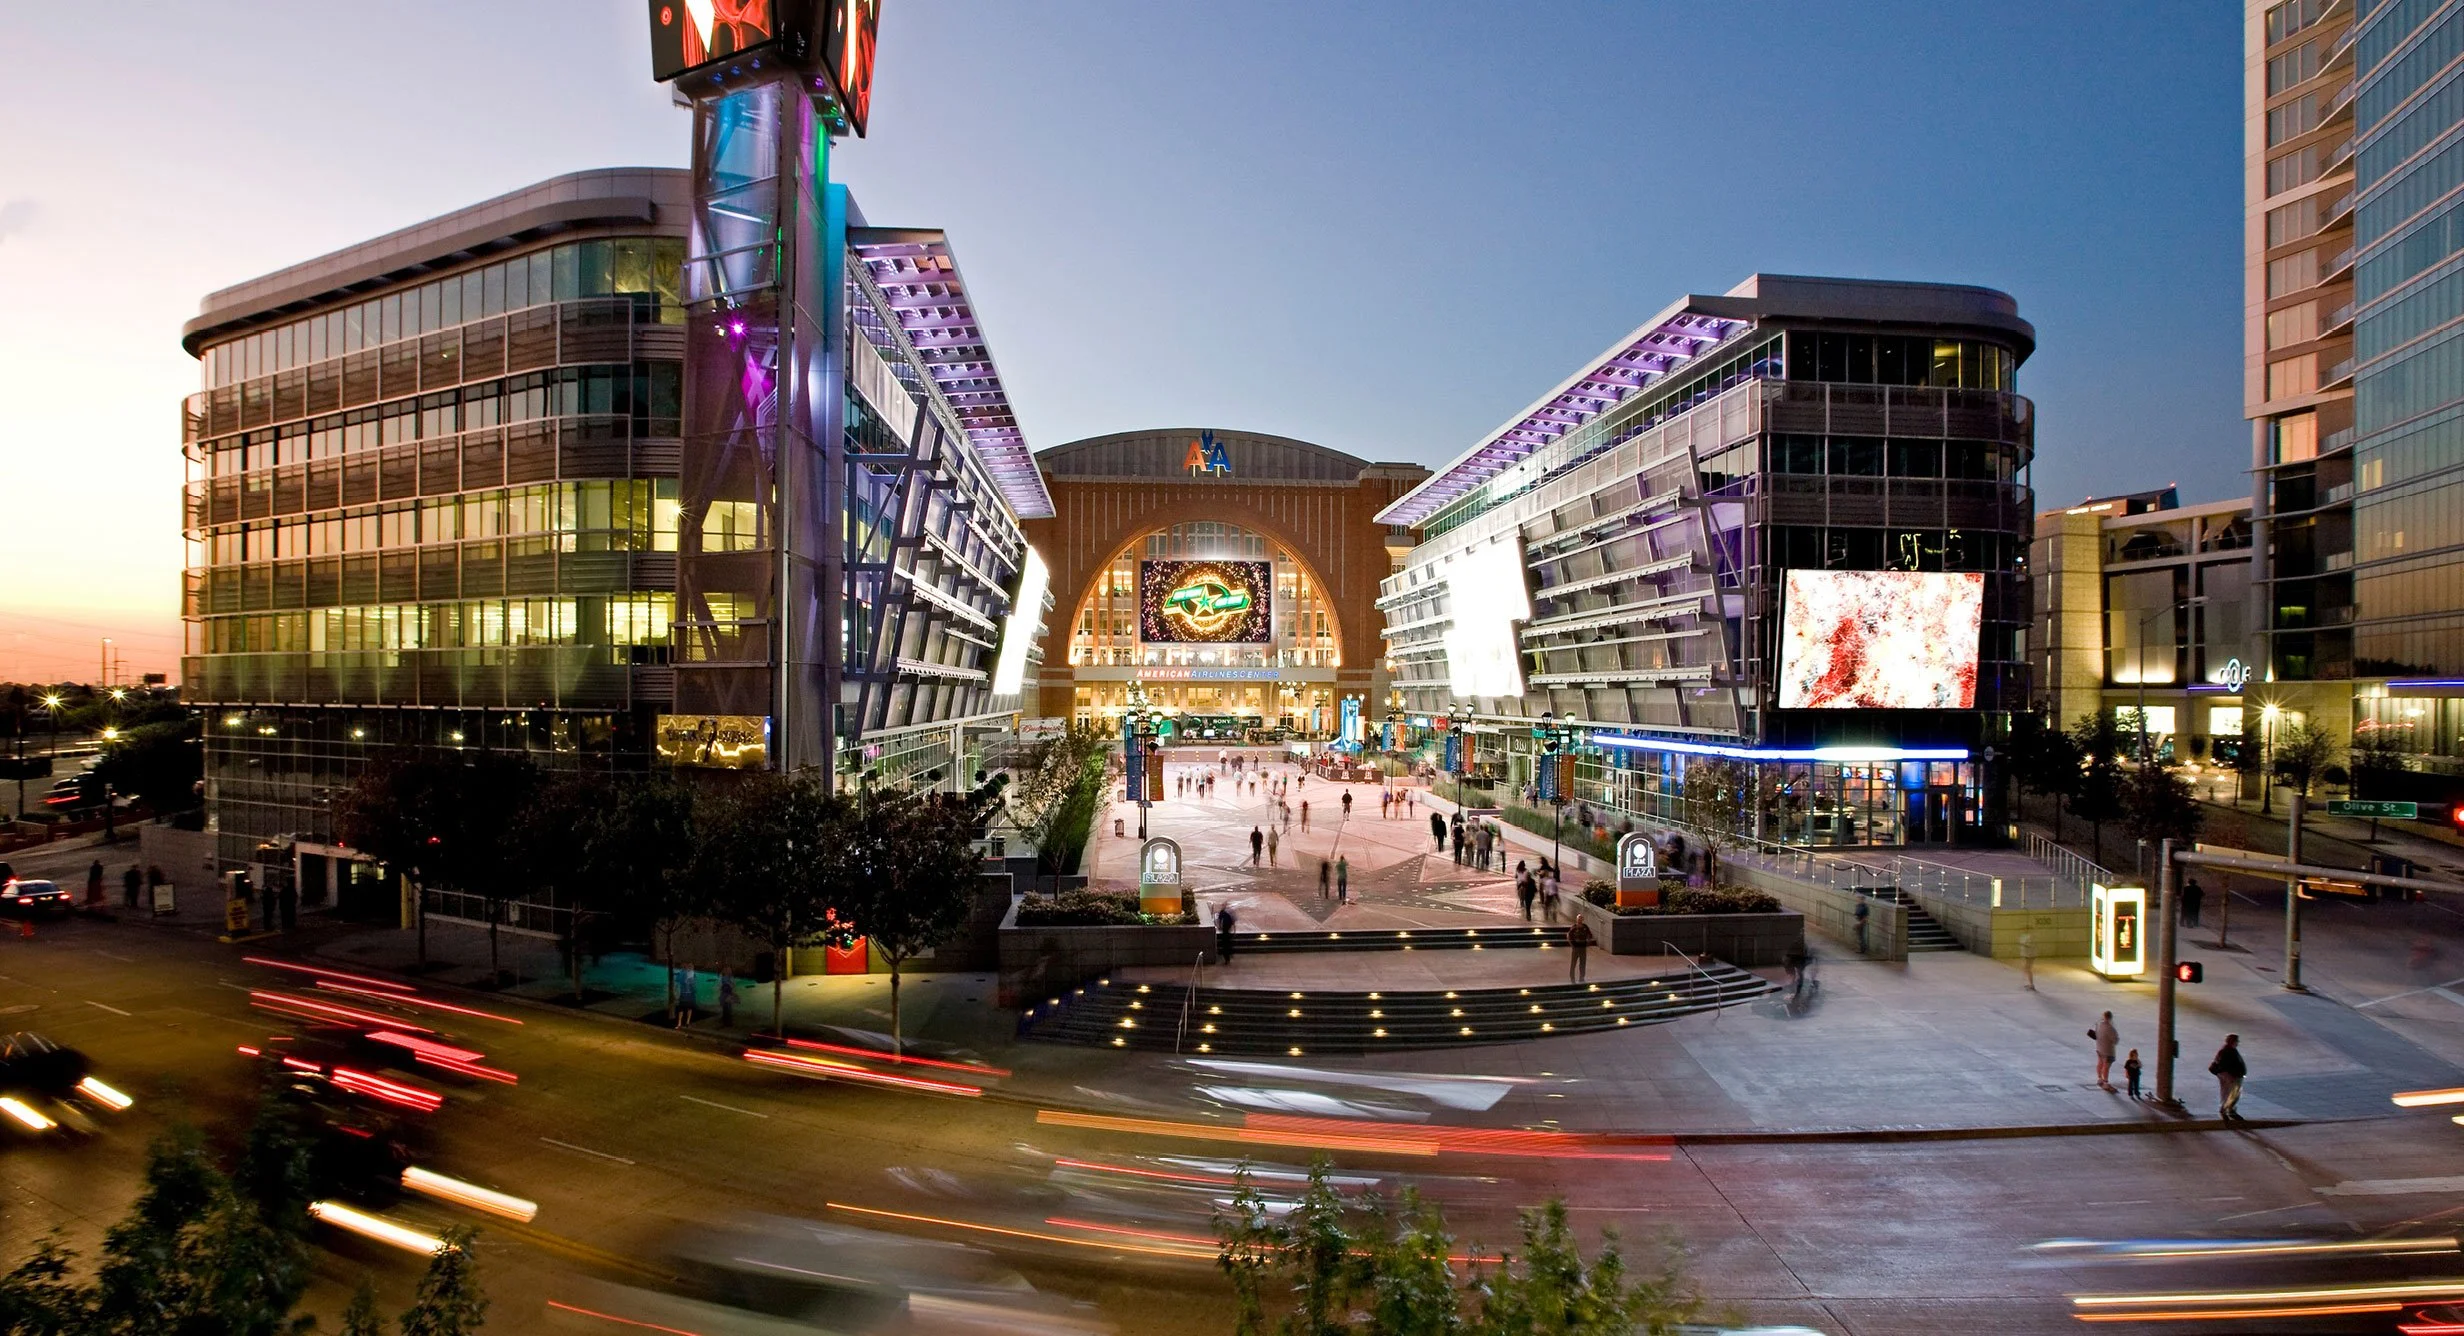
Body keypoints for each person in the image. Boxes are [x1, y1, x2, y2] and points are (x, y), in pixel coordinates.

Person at [2210, 1034, 2248, 1120]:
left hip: (2231, 1076)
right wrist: (2231, 1076)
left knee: (2228, 1094)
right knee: (2233, 1094)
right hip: (2232, 1077)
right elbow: (2226, 1065)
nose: (2237, 1043)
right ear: (2233, 1042)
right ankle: (2228, 1110)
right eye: (2236, 1041)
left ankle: (2227, 1110)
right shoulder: (2228, 1051)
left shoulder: (2227, 1050)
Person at [2090, 1011, 2120, 1091]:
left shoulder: (2099, 1024)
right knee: (2106, 1066)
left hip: (2099, 1048)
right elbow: (2115, 1040)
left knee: (2100, 1063)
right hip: (2108, 1050)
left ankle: (2099, 1078)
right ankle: (2105, 1082)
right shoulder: (2110, 1028)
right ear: (2110, 1018)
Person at [1567, 913, 1595, 982]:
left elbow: (1590, 935)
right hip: (1576, 948)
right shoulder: (1574, 927)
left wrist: (1588, 941)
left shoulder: (1585, 927)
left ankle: (1582, 977)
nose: (1580, 919)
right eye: (1579, 918)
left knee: (1583, 963)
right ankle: (1572, 977)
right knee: (1573, 963)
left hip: (1583, 947)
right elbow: (1569, 936)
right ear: (1577, 919)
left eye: (1581, 918)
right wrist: (1572, 944)